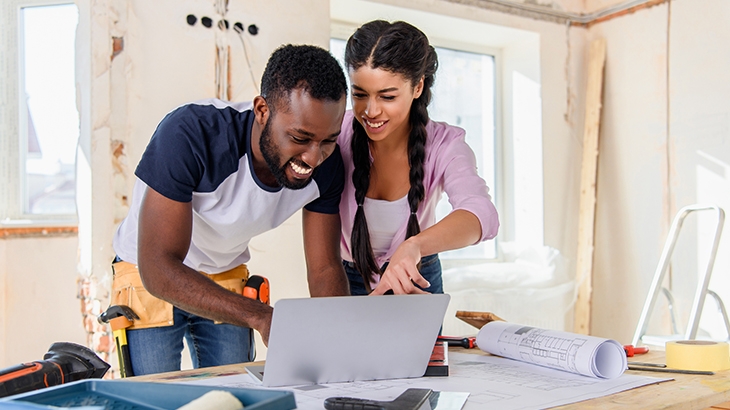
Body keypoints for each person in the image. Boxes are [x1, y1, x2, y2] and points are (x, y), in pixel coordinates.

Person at [110, 44, 350, 376]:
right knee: (155, 395)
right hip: (147, 270)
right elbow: (159, 266)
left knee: (235, 396)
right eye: (299, 137)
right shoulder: (190, 134)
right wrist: (261, 316)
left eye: (328, 140)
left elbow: (324, 269)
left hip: (224, 270)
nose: (313, 158)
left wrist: (341, 343)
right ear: (262, 111)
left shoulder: (328, 165)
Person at [339, 20, 500, 296]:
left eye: (387, 96)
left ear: (417, 87)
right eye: (359, 94)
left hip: (416, 276)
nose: (371, 110)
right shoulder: (337, 133)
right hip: (346, 277)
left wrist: (414, 246)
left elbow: (482, 215)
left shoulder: (445, 144)